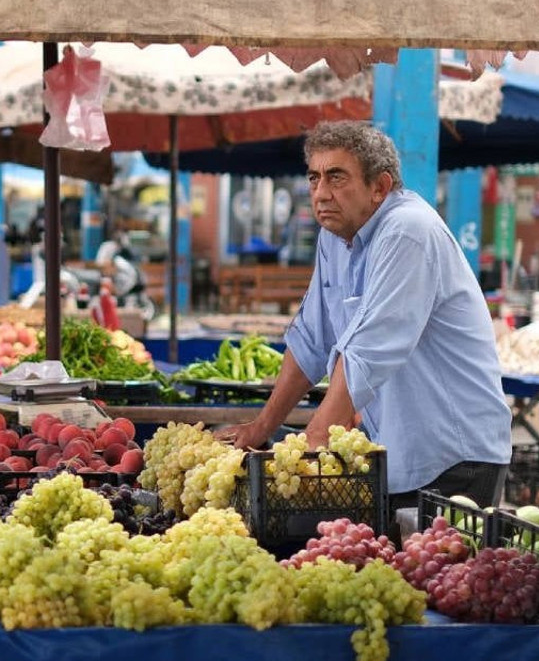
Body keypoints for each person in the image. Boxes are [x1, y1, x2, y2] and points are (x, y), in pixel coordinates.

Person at [216, 121, 511, 509]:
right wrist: (262, 427)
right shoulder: (334, 238)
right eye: (314, 178)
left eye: (336, 177)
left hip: (454, 458)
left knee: (430, 569)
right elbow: (311, 339)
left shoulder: (408, 230)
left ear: (380, 187)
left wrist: (314, 441)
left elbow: (371, 346)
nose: (321, 193)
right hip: (395, 452)